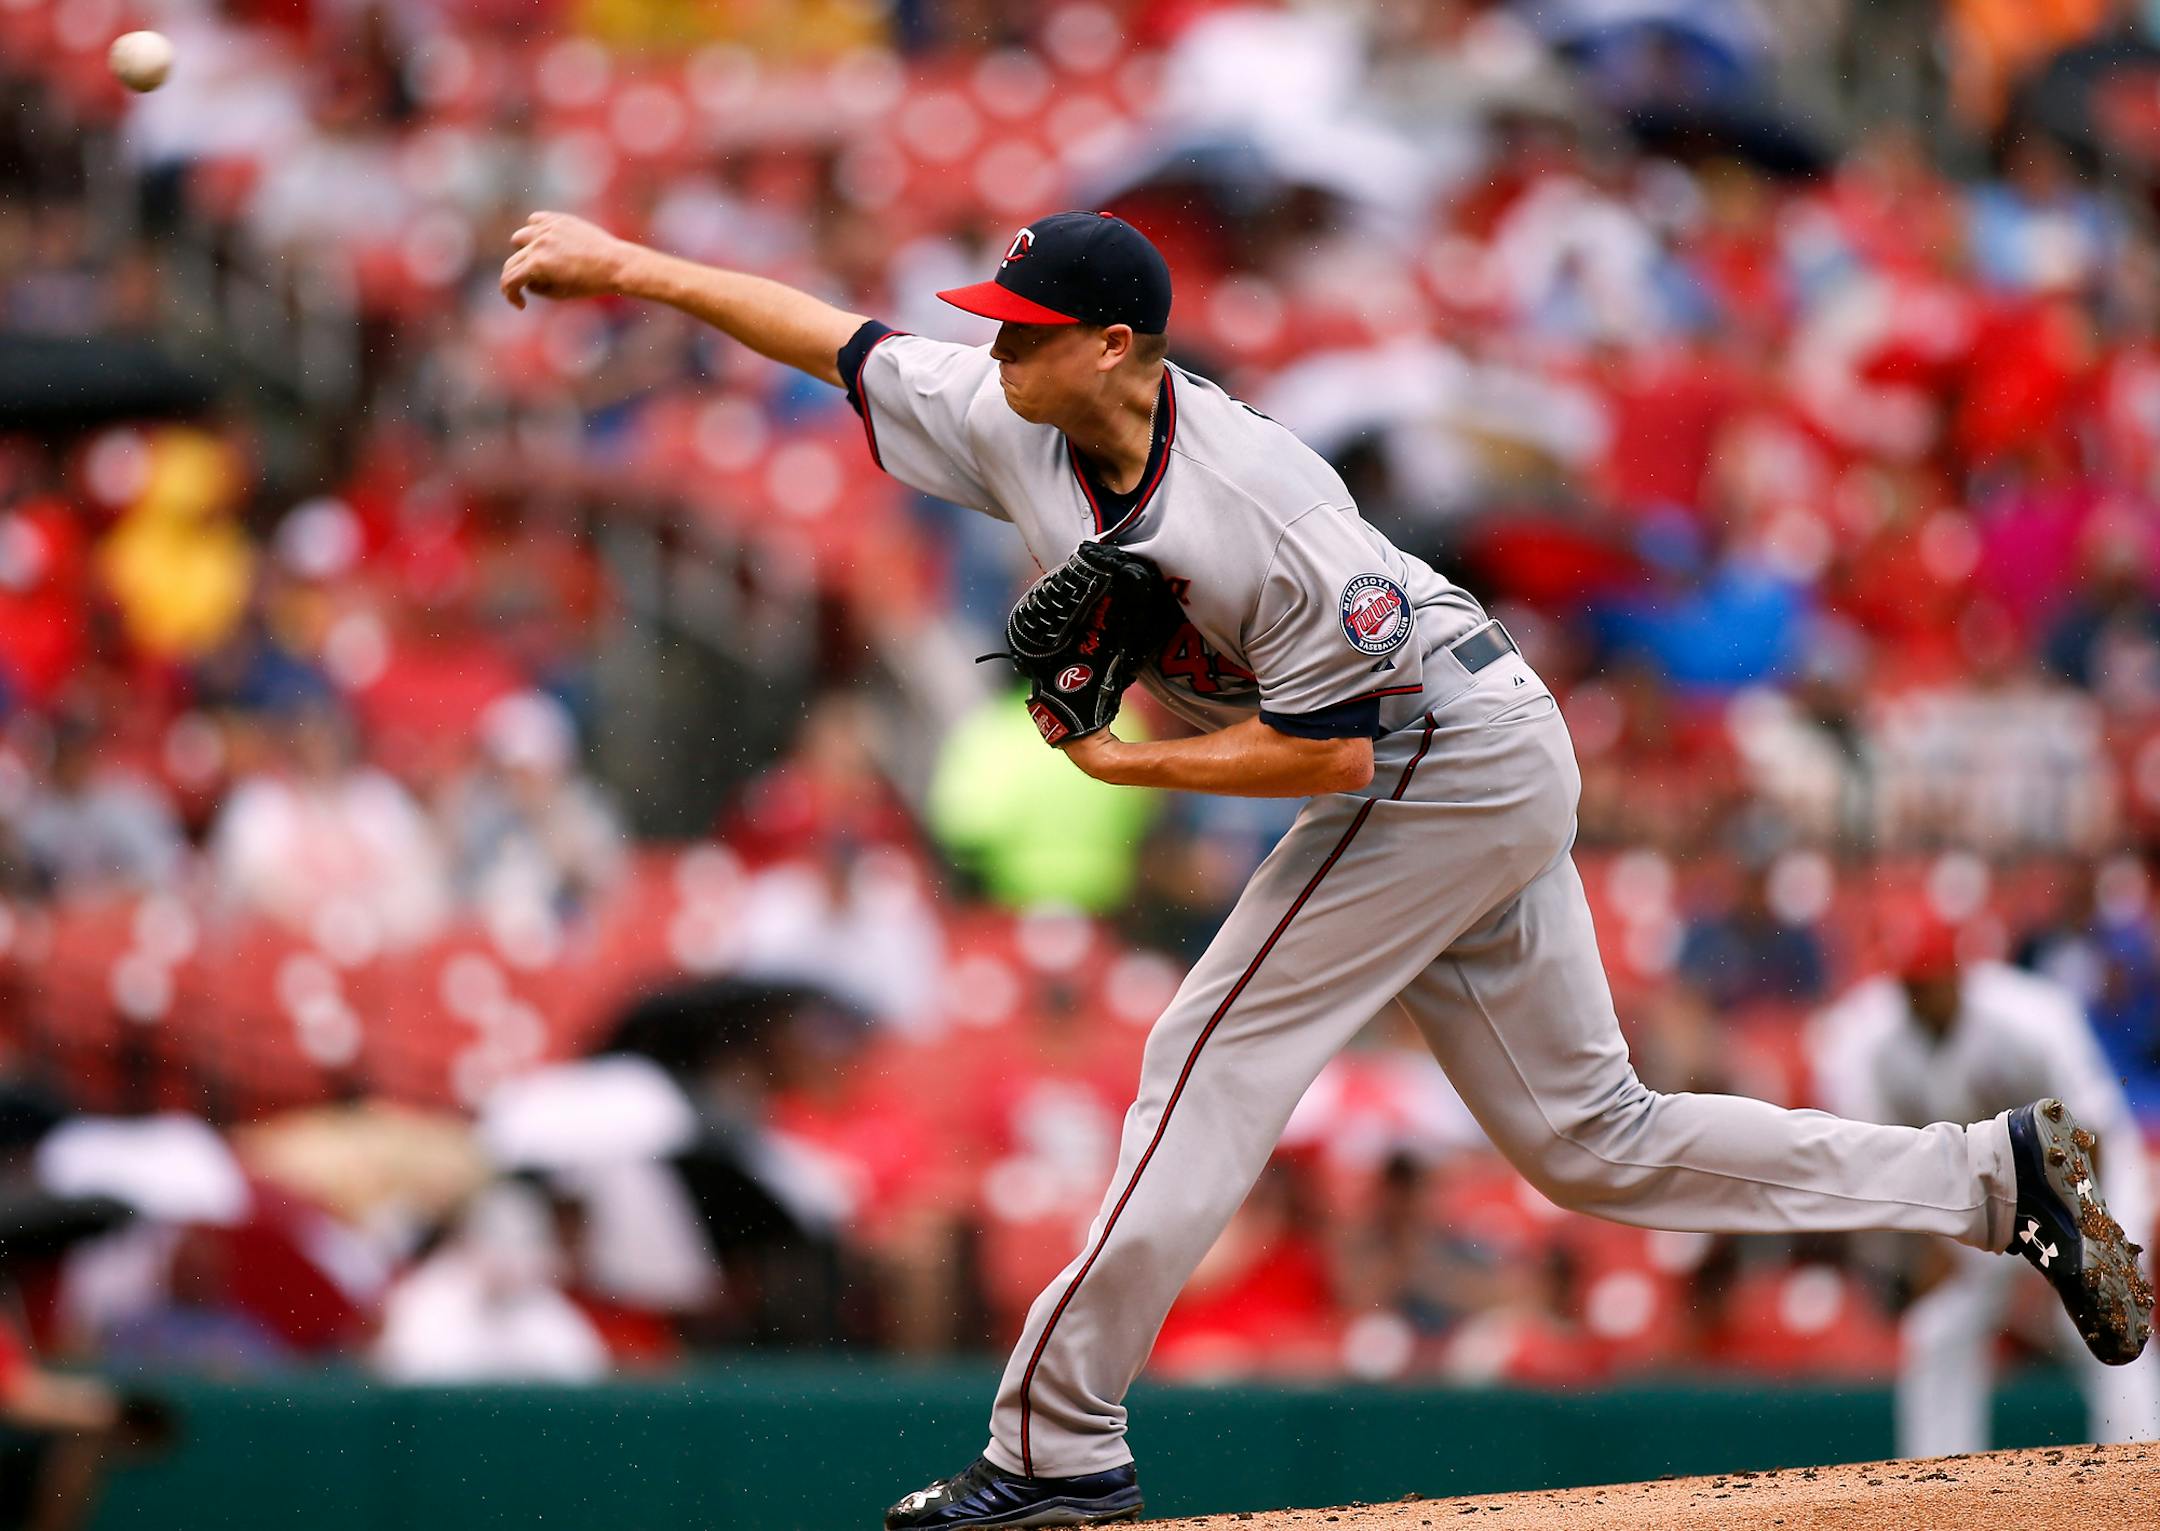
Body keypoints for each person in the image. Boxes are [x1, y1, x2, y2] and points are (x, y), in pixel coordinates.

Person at [499, 206, 2154, 1530]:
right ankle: (1996, 1180)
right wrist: (629, 265)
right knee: (1595, 1142)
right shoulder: (1021, 413)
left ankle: (1057, 1445)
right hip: (1453, 757)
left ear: (1120, 346)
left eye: (1026, 330)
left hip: (1445, 757)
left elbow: (1337, 754)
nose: (990, 349)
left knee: (1198, 1056)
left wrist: (1134, 764)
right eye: (994, 325)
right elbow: (836, 340)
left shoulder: (1255, 510)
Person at [1811, 923, 2160, 1458]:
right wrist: (1933, 1247)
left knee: (2106, 1319)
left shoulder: (2028, 1019)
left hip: (2094, 1185)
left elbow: (2093, 1136)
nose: (1916, 996)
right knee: (1939, 1328)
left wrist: (2079, 1247)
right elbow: (1897, 1170)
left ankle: (2139, 1463)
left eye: (1926, 982)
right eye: (1908, 984)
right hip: (2002, 1200)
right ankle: (1940, 1484)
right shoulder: (1887, 1051)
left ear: (1957, 975)